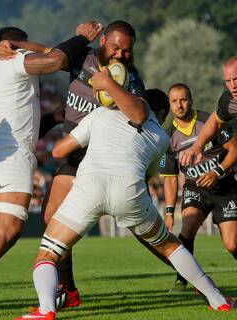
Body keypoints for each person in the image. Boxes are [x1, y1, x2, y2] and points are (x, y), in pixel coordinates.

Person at [16, 69, 234, 320]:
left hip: (90, 185)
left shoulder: (100, 114)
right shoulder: (161, 136)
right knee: (170, 246)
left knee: (48, 252)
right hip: (129, 191)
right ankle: (217, 299)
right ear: (162, 114)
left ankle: (46, 310)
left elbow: (58, 151)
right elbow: (147, 175)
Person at [0, 22, 104, 319]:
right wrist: (81, 37)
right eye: (24, 45)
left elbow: (26, 126)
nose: (31, 50)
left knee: (4, 230)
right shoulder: (12, 62)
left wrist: (54, 117)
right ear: (12, 46)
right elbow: (57, 60)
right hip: (7, 157)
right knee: (8, 229)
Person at [39, 20, 147, 309]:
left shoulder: (130, 77)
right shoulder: (80, 57)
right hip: (75, 157)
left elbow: (139, 115)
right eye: (116, 48)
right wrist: (14, 46)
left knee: (147, 233)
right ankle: (67, 290)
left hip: (104, 159)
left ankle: (191, 276)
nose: (121, 55)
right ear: (103, 42)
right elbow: (47, 52)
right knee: (50, 218)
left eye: (127, 50)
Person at [159, 83, 237, 291]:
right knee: (189, 223)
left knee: (232, 244)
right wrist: (168, 212)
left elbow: (235, 150)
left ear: (191, 100)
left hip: (224, 186)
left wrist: (217, 172)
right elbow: (170, 178)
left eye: (183, 99)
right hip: (196, 188)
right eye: (174, 101)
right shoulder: (168, 138)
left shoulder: (209, 122)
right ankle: (183, 278)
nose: (179, 105)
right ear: (169, 105)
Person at [179, 56, 237, 167]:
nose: (233, 86)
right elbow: (215, 120)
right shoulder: (228, 102)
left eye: (236, 79)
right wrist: (197, 146)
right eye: (228, 81)